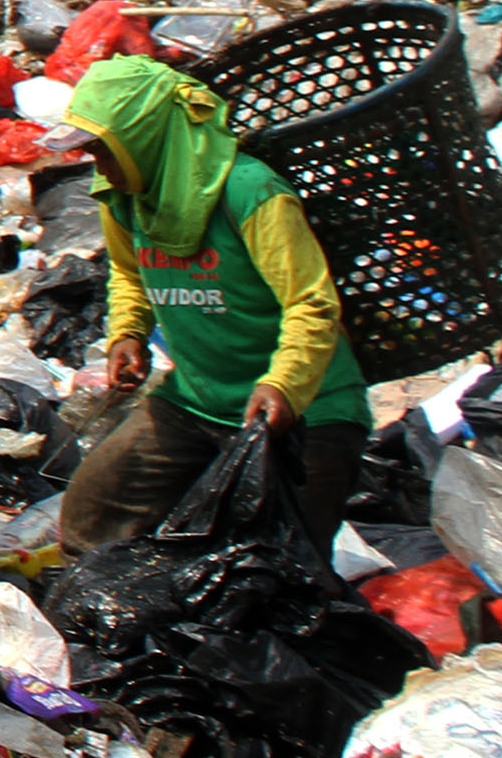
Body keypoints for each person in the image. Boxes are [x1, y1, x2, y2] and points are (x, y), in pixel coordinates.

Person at [50, 54, 372, 552]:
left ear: (146, 138)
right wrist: (128, 333)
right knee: (91, 514)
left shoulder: (251, 193)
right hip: (196, 401)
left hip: (308, 411)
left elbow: (312, 303)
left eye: (106, 152)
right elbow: (128, 271)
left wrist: (284, 384)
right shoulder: (124, 197)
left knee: (279, 566)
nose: (101, 168)